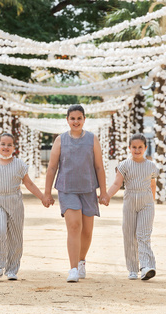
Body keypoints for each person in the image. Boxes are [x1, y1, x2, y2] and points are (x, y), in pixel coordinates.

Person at [43, 105, 108, 283]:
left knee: (87, 231)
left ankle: (81, 262)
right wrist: (47, 193)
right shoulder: (60, 140)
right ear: (67, 120)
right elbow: (52, 167)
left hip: (88, 189)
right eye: (73, 118)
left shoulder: (92, 139)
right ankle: (72, 269)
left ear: (84, 119)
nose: (76, 121)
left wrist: (104, 192)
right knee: (74, 226)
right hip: (67, 189)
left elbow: (99, 167)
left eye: (79, 118)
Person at [0, 133, 49, 281]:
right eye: (3, 144)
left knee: (16, 237)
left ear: (14, 148)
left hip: (15, 203)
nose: (6, 147)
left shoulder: (19, 165)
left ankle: (12, 269)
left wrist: (42, 197)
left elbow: (29, 184)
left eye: (9, 145)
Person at [103, 134, 159, 281]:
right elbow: (117, 184)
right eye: (134, 147)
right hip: (129, 204)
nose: (137, 150)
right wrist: (107, 196)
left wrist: (151, 202)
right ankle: (132, 268)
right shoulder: (124, 165)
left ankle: (146, 267)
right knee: (129, 235)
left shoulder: (151, 166)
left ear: (145, 148)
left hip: (146, 204)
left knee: (143, 235)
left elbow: (153, 185)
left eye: (140, 147)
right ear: (129, 148)